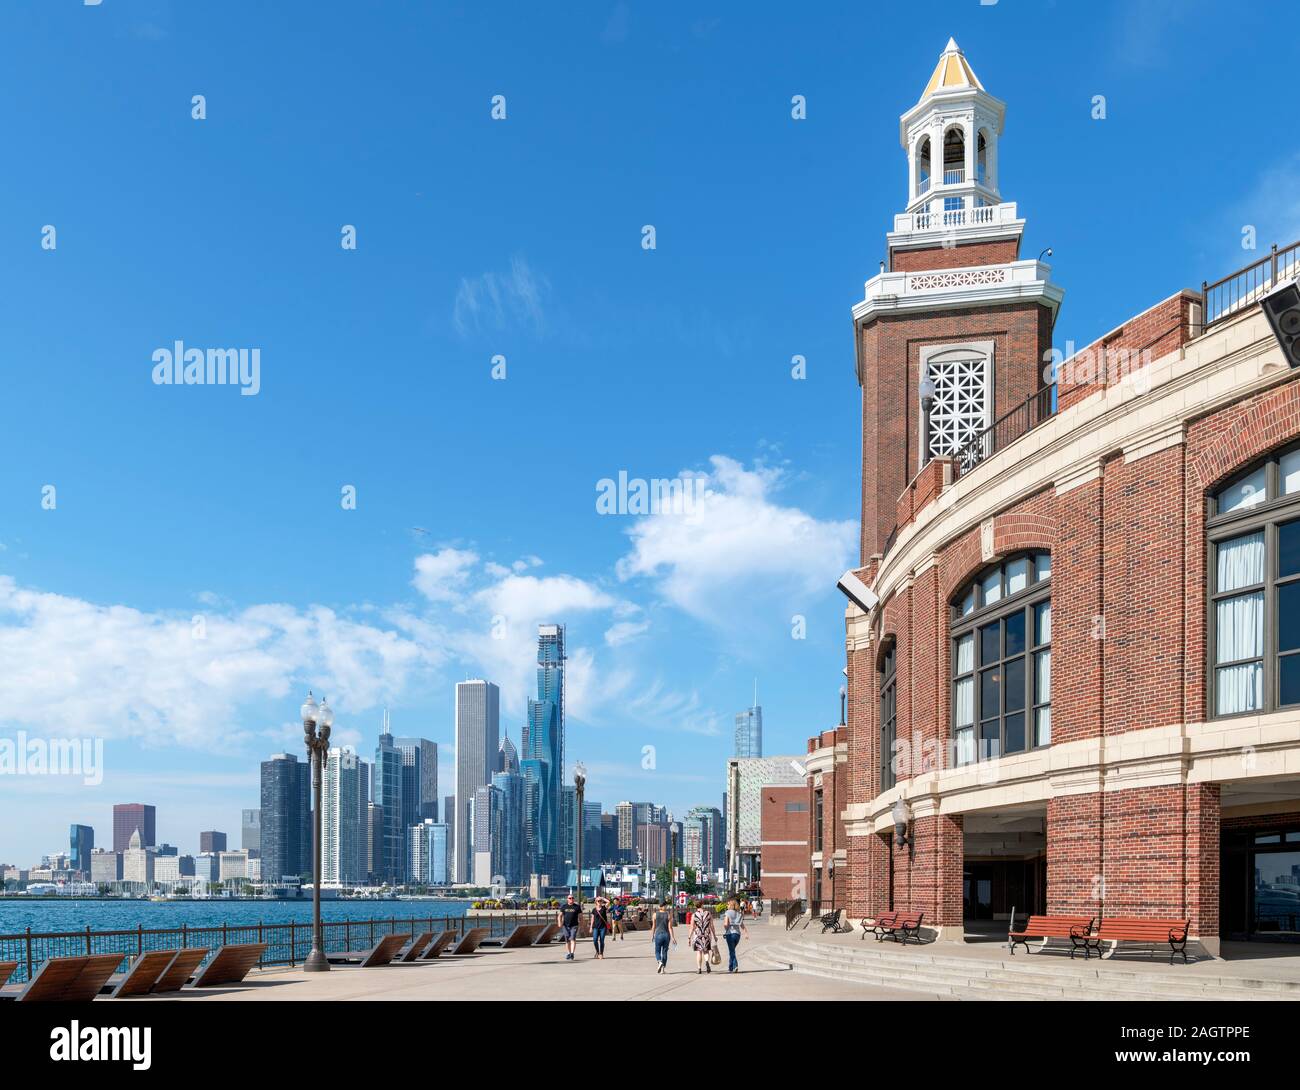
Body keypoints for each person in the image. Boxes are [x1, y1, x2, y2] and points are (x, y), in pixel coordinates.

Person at [722, 896, 749, 973]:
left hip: (730, 934)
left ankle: (735, 966)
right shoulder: (739, 914)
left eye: (728, 904)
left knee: (732, 951)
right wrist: (746, 933)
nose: (727, 906)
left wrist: (726, 928)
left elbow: (726, 923)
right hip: (737, 935)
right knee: (732, 950)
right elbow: (742, 925)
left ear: (730, 905)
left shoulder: (727, 912)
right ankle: (730, 967)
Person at [689, 901, 717, 974]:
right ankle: (707, 962)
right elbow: (712, 926)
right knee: (706, 951)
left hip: (698, 935)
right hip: (707, 934)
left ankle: (699, 969)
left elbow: (692, 927)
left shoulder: (694, 915)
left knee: (699, 952)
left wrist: (689, 937)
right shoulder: (708, 913)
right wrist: (714, 935)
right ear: (702, 905)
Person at [651, 899, 675, 973]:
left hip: (658, 934)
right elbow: (670, 928)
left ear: (659, 906)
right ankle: (663, 969)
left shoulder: (655, 915)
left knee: (657, 951)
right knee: (664, 952)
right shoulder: (668, 915)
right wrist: (673, 937)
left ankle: (659, 962)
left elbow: (653, 926)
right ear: (665, 906)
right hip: (666, 935)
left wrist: (652, 935)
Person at [557, 892, 582, 961]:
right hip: (565, 925)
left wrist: (581, 924)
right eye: (570, 898)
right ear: (567, 899)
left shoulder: (577, 907)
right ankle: (568, 953)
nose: (571, 899)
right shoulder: (564, 906)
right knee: (567, 940)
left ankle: (572, 953)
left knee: (573, 939)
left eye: (572, 898)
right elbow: (560, 916)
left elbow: (580, 916)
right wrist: (559, 923)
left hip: (574, 925)